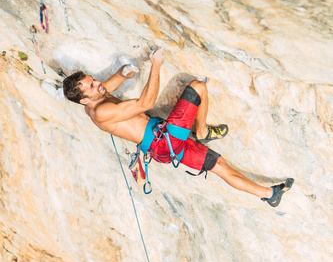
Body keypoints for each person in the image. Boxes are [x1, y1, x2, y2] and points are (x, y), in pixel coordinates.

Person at [63, 48, 293, 207]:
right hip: (165, 141)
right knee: (198, 87)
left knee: (219, 165)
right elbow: (146, 104)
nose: (97, 83)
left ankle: (270, 195)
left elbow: (111, 83)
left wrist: (126, 72)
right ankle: (202, 132)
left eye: (92, 79)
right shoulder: (101, 112)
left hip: (162, 145)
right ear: (85, 100)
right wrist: (156, 65)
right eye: (91, 85)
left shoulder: (94, 99)